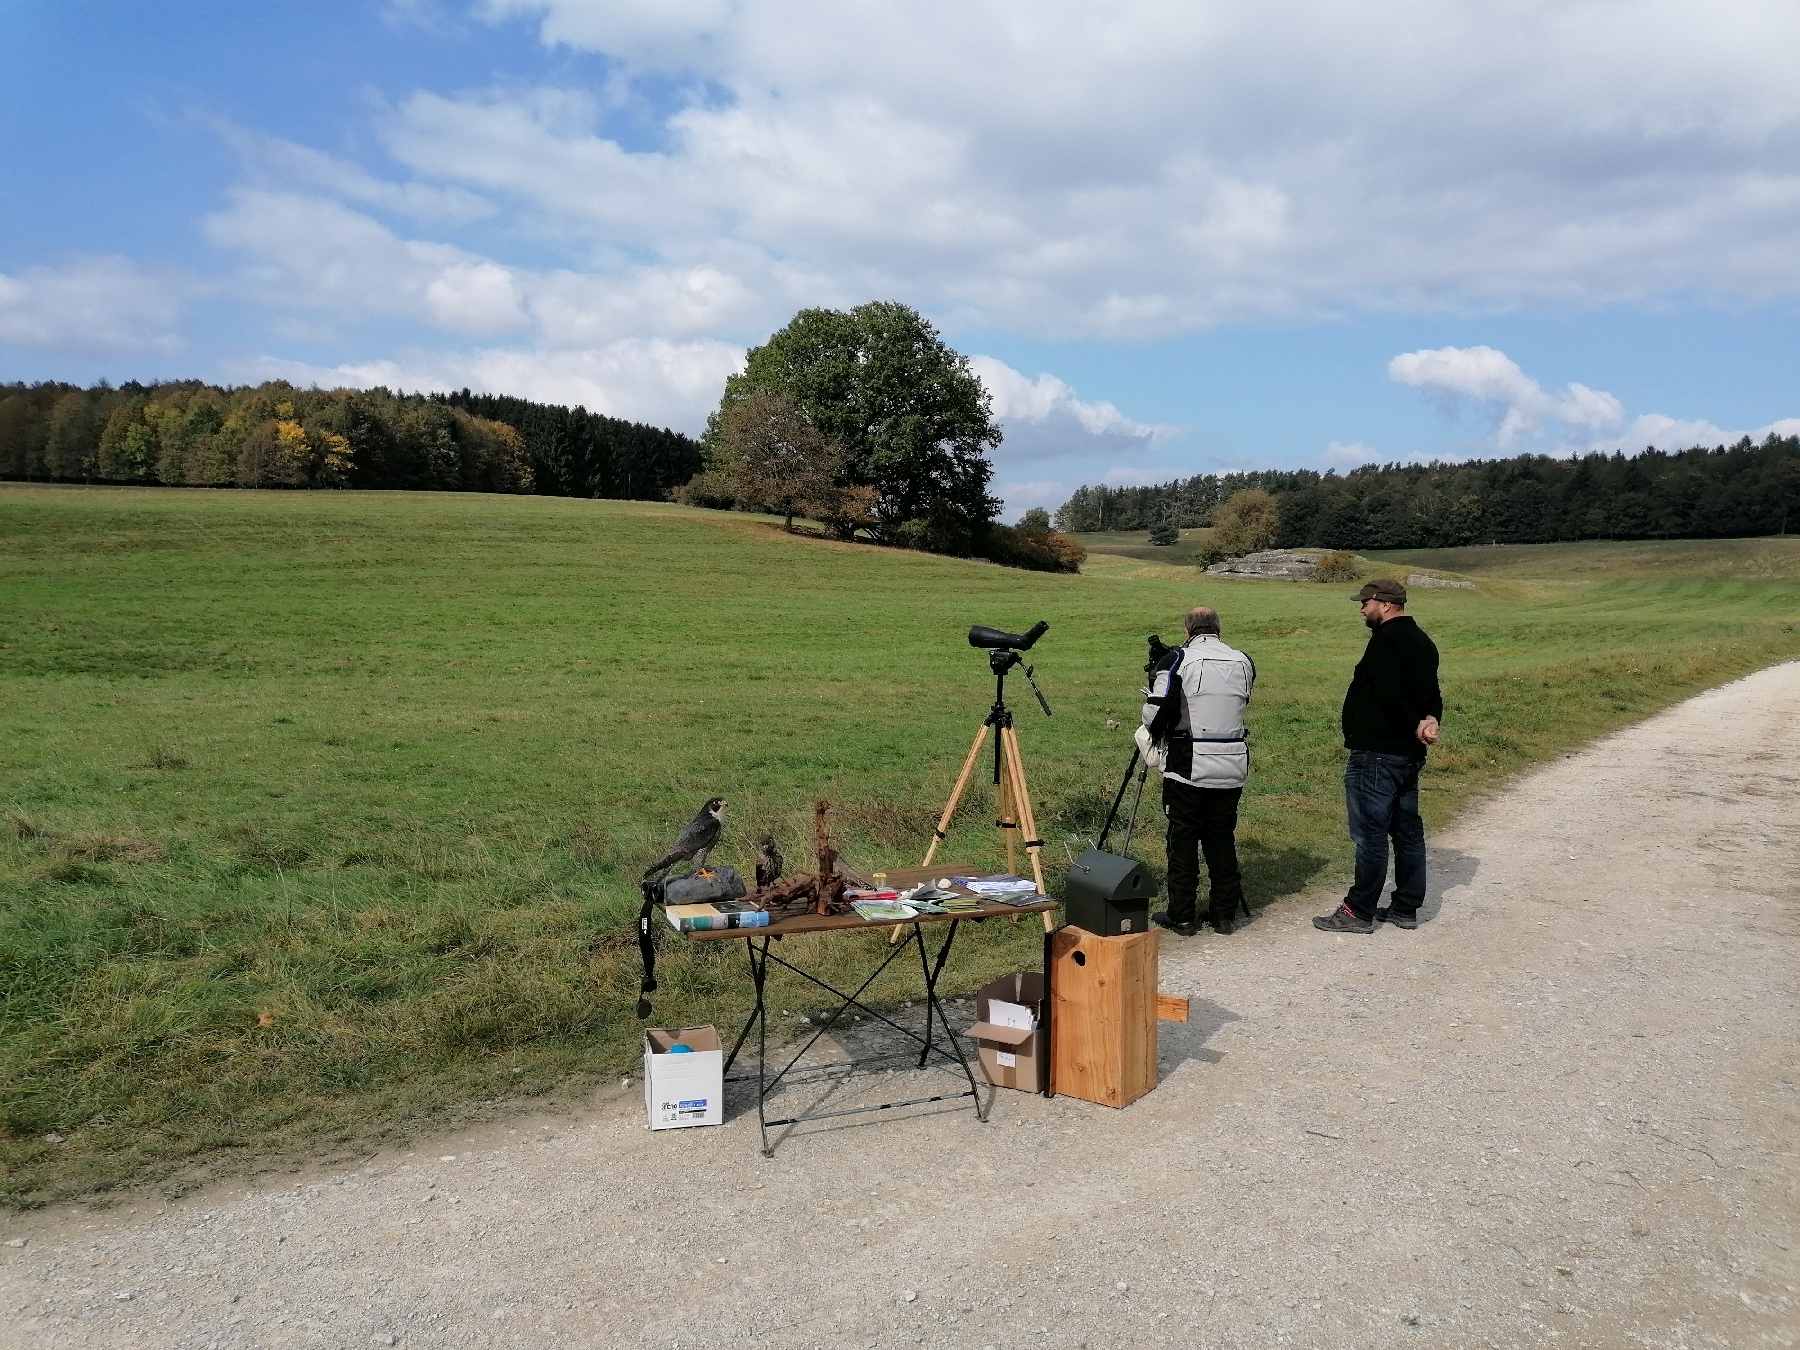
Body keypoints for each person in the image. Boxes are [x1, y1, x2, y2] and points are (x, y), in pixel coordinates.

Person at [1314, 579, 1442, 934]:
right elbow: (1431, 691)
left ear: (1385, 604)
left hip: (1378, 753)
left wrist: (1416, 723)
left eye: (1365, 603)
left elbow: (1388, 693)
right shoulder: (1423, 641)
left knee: (1370, 834)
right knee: (1406, 832)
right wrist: (1431, 719)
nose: (1361, 608)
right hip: (1407, 756)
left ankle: (1358, 910)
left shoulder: (1386, 641)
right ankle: (1405, 907)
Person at [1141, 606, 1256, 936]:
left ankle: (1183, 916)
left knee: (1183, 839)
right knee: (1221, 838)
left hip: (1188, 763)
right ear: (1218, 628)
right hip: (1233, 762)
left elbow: (1156, 711)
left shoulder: (1177, 659)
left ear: (1187, 630)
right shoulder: (1242, 660)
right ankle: (1224, 914)